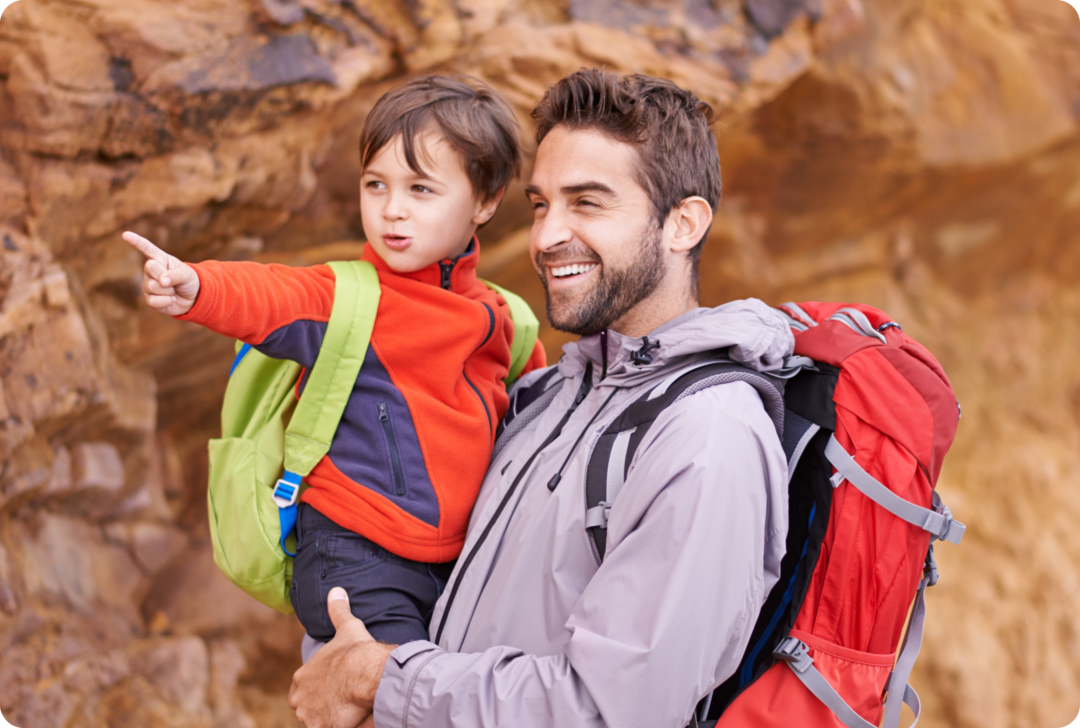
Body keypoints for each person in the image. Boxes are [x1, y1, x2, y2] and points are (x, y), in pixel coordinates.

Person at [287, 69, 796, 728]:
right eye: (539, 204)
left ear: (682, 224)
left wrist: (375, 675)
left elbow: (610, 710)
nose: (547, 236)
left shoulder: (707, 438)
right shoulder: (544, 397)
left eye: (586, 203)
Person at [124, 75, 547, 650]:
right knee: (394, 691)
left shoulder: (508, 319)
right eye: (377, 185)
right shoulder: (348, 296)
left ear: (485, 200)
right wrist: (196, 286)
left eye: (420, 190)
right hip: (355, 553)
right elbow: (271, 294)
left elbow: (542, 427)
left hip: (457, 561)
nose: (392, 210)